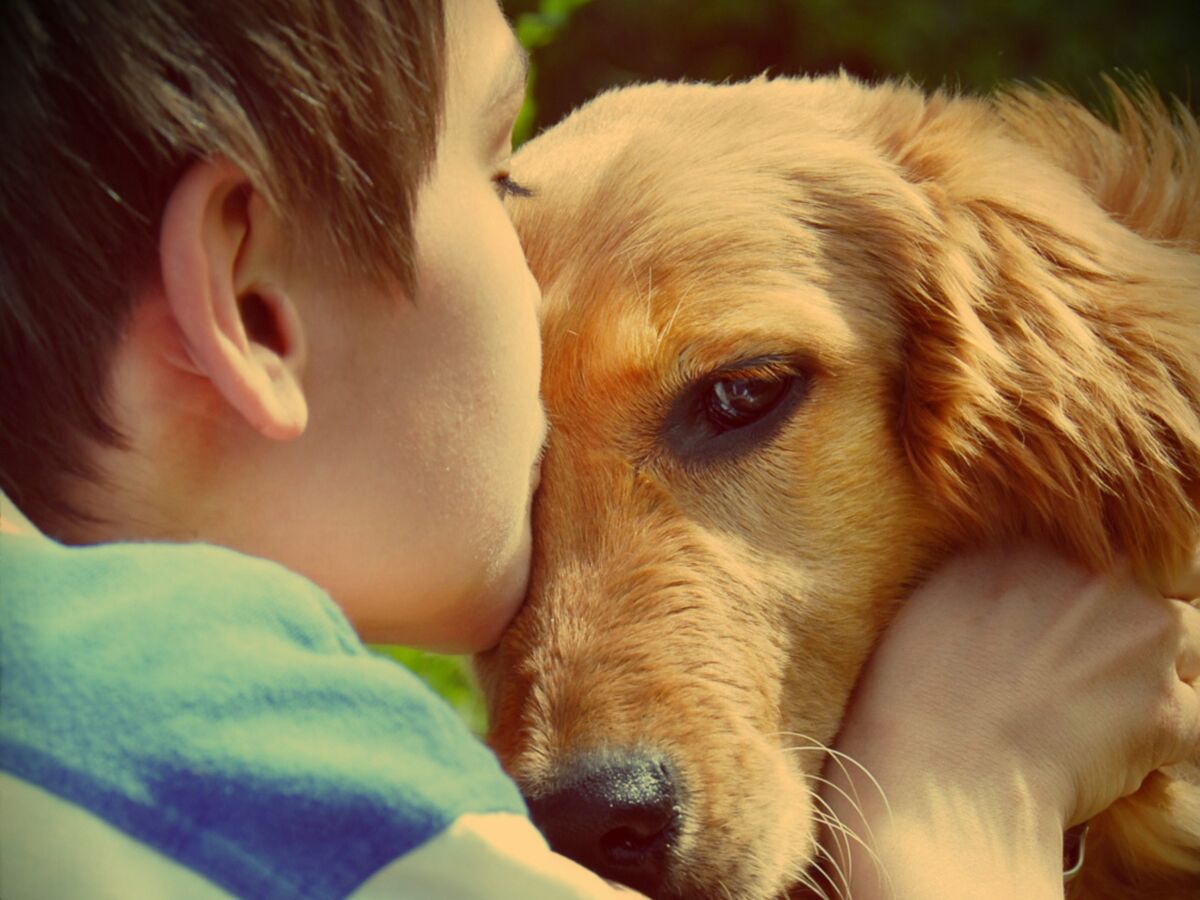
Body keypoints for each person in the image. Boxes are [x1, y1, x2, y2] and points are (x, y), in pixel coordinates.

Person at [0, 0, 1195, 898]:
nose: (514, 207)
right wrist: (959, 815)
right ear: (250, 305)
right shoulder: (302, 808)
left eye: (738, 400)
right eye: (486, 157)